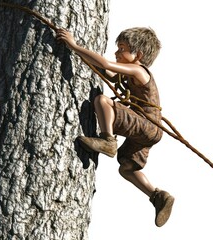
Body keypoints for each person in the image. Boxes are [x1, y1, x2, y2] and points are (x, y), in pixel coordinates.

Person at [57, 27, 174, 227]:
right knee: (127, 167)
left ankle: (108, 140)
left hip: (147, 124)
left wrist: (73, 45)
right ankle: (157, 196)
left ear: (138, 55)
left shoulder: (139, 70)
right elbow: (108, 72)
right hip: (149, 130)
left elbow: (104, 64)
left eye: (122, 49)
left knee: (103, 101)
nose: (117, 53)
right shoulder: (129, 73)